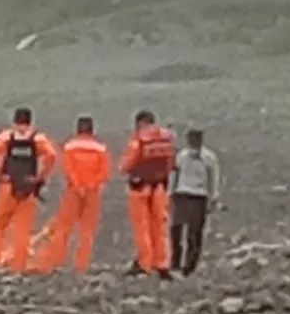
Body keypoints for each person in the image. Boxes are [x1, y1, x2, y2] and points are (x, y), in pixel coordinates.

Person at [35, 116, 111, 273]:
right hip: (93, 192)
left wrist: (78, 186)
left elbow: (68, 169)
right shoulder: (100, 148)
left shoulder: (70, 146)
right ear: (92, 129)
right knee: (87, 230)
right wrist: (91, 185)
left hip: (73, 192)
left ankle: (54, 262)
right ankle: (81, 265)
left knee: (63, 228)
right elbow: (104, 172)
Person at [0, 107, 57, 272]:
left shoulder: (7, 137)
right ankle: (19, 265)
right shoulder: (38, 139)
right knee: (22, 228)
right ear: (30, 122)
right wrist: (41, 177)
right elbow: (52, 155)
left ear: (14, 121)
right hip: (27, 187)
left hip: (7, 185)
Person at [119, 110, 176, 278]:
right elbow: (171, 162)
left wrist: (124, 168)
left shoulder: (139, 140)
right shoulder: (167, 138)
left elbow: (127, 165)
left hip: (140, 188)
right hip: (160, 187)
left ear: (139, 123)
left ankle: (145, 264)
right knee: (160, 226)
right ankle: (162, 264)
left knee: (142, 226)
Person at [170, 128, 220, 276]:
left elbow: (213, 178)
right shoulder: (182, 156)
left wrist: (213, 198)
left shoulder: (209, 158)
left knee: (194, 233)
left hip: (199, 196)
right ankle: (175, 263)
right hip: (181, 194)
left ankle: (189, 266)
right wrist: (171, 193)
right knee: (175, 230)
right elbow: (175, 174)